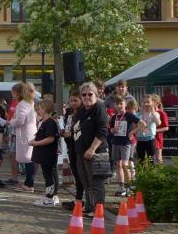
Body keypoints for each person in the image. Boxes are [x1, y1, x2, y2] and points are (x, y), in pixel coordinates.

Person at [72, 82, 110, 215]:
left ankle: (98, 210)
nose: (87, 97)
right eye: (84, 95)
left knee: (96, 182)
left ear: (96, 94)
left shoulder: (99, 107)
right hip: (81, 151)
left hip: (97, 152)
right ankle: (89, 206)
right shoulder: (82, 110)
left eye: (90, 94)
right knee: (86, 181)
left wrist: (92, 149)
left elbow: (102, 131)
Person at [29, 99, 61, 206]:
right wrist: (34, 140)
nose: (38, 111)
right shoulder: (44, 122)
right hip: (43, 153)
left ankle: (50, 198)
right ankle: (49, 195)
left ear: (46, 109)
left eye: (40, 109)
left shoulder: (50, 123)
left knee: (49, 175)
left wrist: (36, 143)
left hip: (48, 154)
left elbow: (50, 138)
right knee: (47, 174)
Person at [108, 95, 142, 196]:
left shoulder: (129, 115)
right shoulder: (114, 117)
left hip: (126, 143)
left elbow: (143, 123)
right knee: (118, 165)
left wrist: (132, 132)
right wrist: (112, 130)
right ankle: (121, 187)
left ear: (125, 104)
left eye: (121, 104)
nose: (119, 106)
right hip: (116, 142)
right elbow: (110, 129)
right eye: (117, 104)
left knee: (125, 165)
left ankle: (129, 187)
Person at [9, 82, 37, 193]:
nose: (12, 95)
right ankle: (27, 183)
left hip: (25, 134)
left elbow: (20, 121)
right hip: (29, 132)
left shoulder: (22, 104)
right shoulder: (29, 102)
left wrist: (11, 121)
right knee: (28, 158)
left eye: (13, 93)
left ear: (18, 93)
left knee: (27, 159)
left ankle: (29, 184)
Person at [61, 88, 84, 210]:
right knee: (75, 173)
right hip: (70, 145)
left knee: (81, 175)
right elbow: (67, 126)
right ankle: (78, 199)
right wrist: (63, 132)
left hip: (79, 146)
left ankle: (80, 200)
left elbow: (82, 130)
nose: (73, 103)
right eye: (71, 100)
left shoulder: (83, 112)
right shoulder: (69, 111)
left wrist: (71, 133)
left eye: (76, 100)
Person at [135, 96, 160, 164]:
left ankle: (151, 171)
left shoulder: (155, 114)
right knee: (141, 161)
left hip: (150, 139)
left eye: (148, 102)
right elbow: (134, 126)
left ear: (152, 103)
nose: (146, 104)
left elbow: (158, 123)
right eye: (144, 102)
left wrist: (152, 112)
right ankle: (141, 171)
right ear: (141, 103)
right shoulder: (137, 114)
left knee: (150, 160)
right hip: (140, 139)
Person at [152, 94, 170, 165]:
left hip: (157, 138)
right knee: (148, 158)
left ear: (156, 103)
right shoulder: (148, 113)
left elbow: (166, 128)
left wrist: (154, 130)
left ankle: (161, 171)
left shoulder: (162, 113)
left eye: (152, 101)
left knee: (158, 158)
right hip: (148, 137)